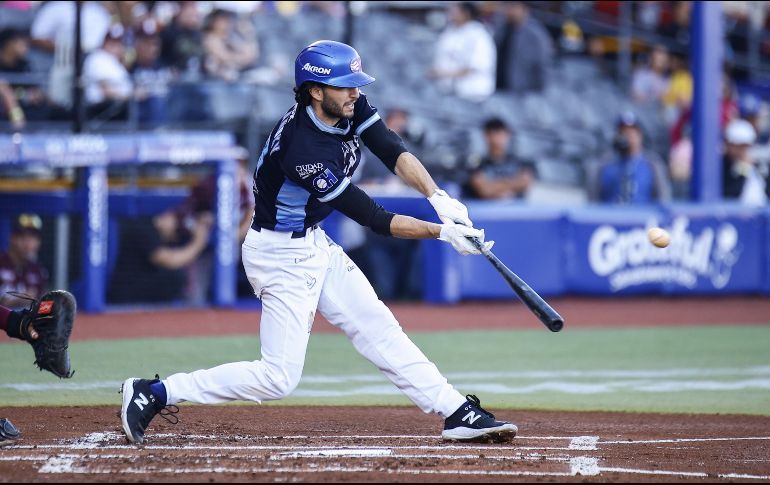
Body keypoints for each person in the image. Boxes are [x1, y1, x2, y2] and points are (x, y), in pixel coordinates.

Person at [119, 40, 516, 445]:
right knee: (277, 378)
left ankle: (455, 410)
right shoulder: (303, 149)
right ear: (315, 90)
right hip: (278, 255)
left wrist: (438, 198)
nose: (355, 93)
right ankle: (155, 392)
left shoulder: (346, 104)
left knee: (378, 327)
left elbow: (391, 150)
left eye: (355, 84)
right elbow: (374, 217)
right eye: (345, 86)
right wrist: (442, 233)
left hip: (313, 242)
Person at [107, 210, 213, 304]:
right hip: (125, 293)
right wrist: (199, 242)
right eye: (175, 221)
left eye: (177, 230)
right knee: (175, 277)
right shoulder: (143, 227)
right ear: (168, 214)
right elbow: (169, 261)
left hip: (138, 289)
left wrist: (201, 223)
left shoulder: (162, 235)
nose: (174, 229)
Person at [589, 112, 671, 204]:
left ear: (640, 135)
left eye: (632, 132)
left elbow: (663, 199)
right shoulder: (603, 165)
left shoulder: (652, 163)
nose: (628, 136)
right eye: (623, 132)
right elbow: (593, 200)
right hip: (611, 212)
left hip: (642, 212)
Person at [431, 2, 497, 102]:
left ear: (466, 13)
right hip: (449, 93)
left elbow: (477, 66)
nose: (450, 13)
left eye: (455, 10)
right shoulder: (450, 32)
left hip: (474, 95)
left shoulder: (479, 35)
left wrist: (444, 74)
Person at [464, 117, 536, 200]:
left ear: (508, 135)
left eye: (500, 133)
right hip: (485, 207)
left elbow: (525, 182)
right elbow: (484, 190)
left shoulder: (521, 162)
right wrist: (514, 184)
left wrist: (494, 186)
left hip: (516, 207)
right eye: (493, 133)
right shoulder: (476, 163)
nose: (497, 138)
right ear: (485, 136)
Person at [495, 1, 553, 94]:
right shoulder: (502, 29)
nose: (509, 10)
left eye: (513, 6)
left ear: (525, 10)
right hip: (499, 89)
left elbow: (543, 65)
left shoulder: (535, 34)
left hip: (523, 93)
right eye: (507, 6)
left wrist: (538, 92)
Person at [83, 26, 132, 121]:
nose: (115, 47)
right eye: (111, 43)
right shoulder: (98, 58)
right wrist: (132, 96)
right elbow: (106, 91)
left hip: (118, 107)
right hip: (101, 108)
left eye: (118, 43)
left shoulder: (116, 62)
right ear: (104, 43)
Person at [0, 214, 49, 306]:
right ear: (12, 238)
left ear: (38, 242)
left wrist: (55, 307)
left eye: (33, 238)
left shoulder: (38, 271)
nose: (28, 244)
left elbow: (43, 308)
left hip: (27, 315)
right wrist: (17, 302)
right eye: (22, 237)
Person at [722, 119, 769, 206]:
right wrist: (743, 168)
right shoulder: (723, 165)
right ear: (728, 144)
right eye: (738, 146)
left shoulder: (756, 163)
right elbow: (732, 195)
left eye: (745, 146)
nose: (741, 150)